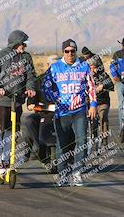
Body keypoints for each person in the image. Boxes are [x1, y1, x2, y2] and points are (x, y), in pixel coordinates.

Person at [42, 39, 97, 187]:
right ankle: (63, 175)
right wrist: (56, 99)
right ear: (63, 52)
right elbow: (46, 86)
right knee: (62, 145)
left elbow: (91, 86)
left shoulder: (83, 66)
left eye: (73, 51)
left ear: (76, 52)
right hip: (62, 113)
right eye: (67, 51)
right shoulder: (55, 68)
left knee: (82, 142)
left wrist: (93, 105)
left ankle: (77, 173)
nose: (70, 54)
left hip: (80, 111)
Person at [0, 30, 36, 175]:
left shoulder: (26, 57)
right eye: (22, 43)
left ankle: (6, 160)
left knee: (11, 133)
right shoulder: (0, 56)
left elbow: (31, 75)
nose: (24, 46)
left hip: (17, 101)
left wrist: (30, 89)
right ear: (15, 43)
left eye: (25, 44)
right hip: (1, 101)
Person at [23, 55, 61, 173]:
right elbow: (30, 103)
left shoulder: (64, 80)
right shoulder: (39, 80)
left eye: (57, 65)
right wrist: (32, 103)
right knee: (29, 121)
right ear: (47, 66)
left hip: (59, 114)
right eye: (52, 65)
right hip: (42, 113)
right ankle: (37, 145)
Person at [89, 58, 114, 149]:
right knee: (93, 121)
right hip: (91, 103)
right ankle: (94, 138)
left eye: (94, 68)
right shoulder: (86, 76)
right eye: (91, 68)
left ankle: (104, 138)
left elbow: (111, 85)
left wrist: (103, 86)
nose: (93, 70)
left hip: (103, 102)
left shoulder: (103, 76)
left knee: (102, 116)